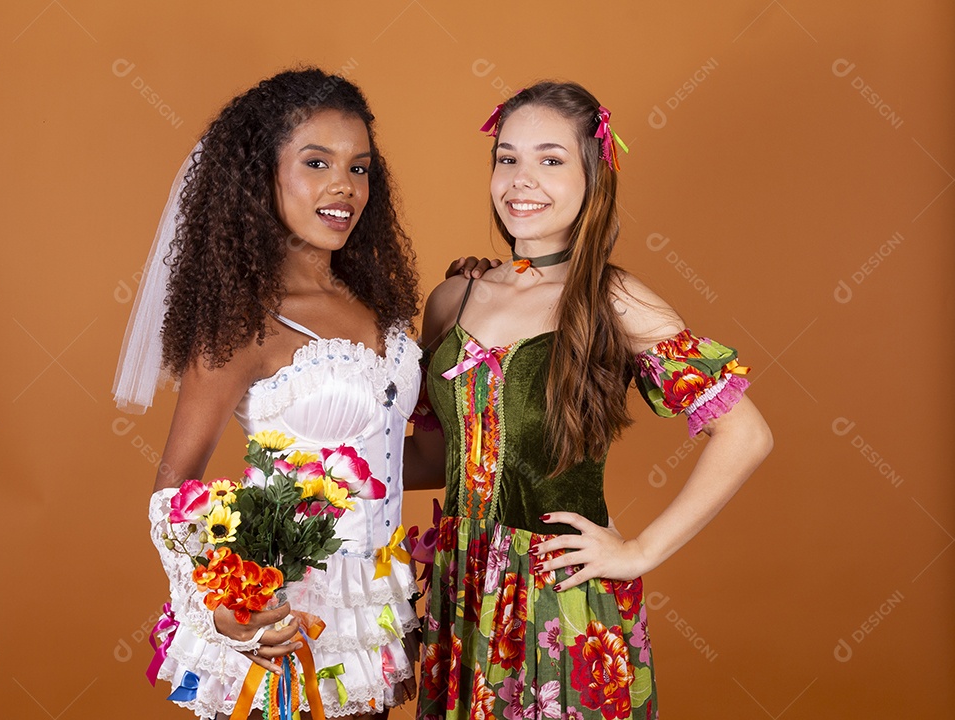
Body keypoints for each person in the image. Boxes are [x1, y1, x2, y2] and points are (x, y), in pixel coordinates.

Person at [114, 68, 488, 720]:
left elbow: (412, 463)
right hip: (286, 610)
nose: (344, 185)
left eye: (360, 167)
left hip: (369, 601)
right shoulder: (244, 322)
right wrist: (230, 609)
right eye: (317, 162)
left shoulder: (379, 304)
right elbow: (175, 482)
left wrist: (465, 313)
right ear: (262, 174)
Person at [407, 82, 773, 719]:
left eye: (551, 160)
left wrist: (637, 553)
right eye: (507, 158)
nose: (522, 180)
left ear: (592, 178)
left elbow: (746, 434)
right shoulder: (453, 299)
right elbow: (442, 455)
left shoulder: (613, 299)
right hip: (462, 590)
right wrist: (321, 465)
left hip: (560, 599)